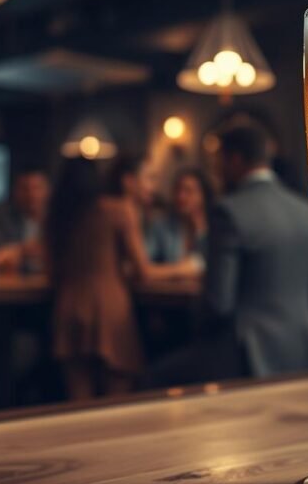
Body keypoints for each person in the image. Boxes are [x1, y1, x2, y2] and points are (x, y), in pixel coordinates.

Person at [44, 158, 198, 400]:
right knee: (116, 406)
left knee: (77, 408)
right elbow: (144, 272)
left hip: (68, 309)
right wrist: (183, 268)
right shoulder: (118, 210)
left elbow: (52, 272)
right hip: (109, 312)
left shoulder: (58, 217)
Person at [203, 124, 308, 378]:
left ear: (235, 159)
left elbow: (219, 303)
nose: (216, 171)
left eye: (219, 162)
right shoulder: (306, 209)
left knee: (156, 376)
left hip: (250, 351)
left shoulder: (228, 211)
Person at [108, 156, 171, 263]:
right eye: (150, 178)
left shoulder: (142, 213)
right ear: (129, 181)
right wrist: (189, 267)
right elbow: (144, 272)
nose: (154, 187)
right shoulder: (122, 209)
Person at [0, 169, 50, 272]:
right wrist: (23, 249)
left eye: (37, 188)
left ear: (47, 190)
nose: (31, 195)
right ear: (16, 192)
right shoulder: (4, 219)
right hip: (14, 282)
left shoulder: (58, 220)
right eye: (25, 189)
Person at [153, 168, 213, 265]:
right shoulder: (161, 226)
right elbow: (145, 263)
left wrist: (199, 231)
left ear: (202, 196)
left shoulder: (213, 228)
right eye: (178, 190)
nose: (181, 196)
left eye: (188, 191)